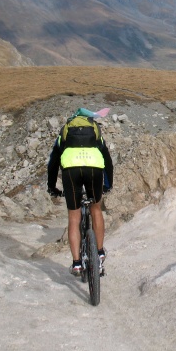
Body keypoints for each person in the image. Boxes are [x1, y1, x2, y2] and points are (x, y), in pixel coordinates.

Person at [47, 108, 114, 276]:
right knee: (96, 209)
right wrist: (108, 184)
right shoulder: (96, 131)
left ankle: (77, 263)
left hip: (71, 170)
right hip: (94, 168)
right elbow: (107, 160)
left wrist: (52, 187)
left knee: (74, 216)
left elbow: (53, 162)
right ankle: (99, 252)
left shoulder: (64, 132)